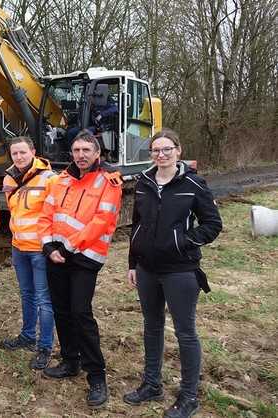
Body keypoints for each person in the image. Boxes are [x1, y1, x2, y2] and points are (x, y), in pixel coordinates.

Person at [123, 128, 222, 418]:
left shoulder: (194, 183)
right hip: (147, 269)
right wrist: (132, 263)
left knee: (185, 332)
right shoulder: (143, 182)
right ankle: (151, 384)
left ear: (178, 151)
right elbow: (136, 225)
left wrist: (182, 241)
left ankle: (189, 396)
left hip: (180, 271)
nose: (161, 154)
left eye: (167, 149)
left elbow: (212, 224)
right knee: (151, 327)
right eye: (156, 150)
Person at [37, 130, 122, 408]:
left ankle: (96, 375)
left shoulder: (108, 181)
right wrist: (48, 247)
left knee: (81, 313)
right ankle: (69, 361)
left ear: (97, 153)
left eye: (87, 150)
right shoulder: (60, 180)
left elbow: (101, 221)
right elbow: (46, 214)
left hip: (84, 257)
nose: (81, 155)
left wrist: (67, 247)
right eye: (76, 150)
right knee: (61, 310)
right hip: (57, 255)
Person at [0, 136, 57, 371]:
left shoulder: (49, 179)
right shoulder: (9, 179)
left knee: (44, 299)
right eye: (15, 153)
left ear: (33, 151)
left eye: (23, 152)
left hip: (40, 249)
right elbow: (15, 213)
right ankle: (27, 336)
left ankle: (45, 346)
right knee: (27, 294)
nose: (19, 157)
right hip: (19, 247)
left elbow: (56, 213)